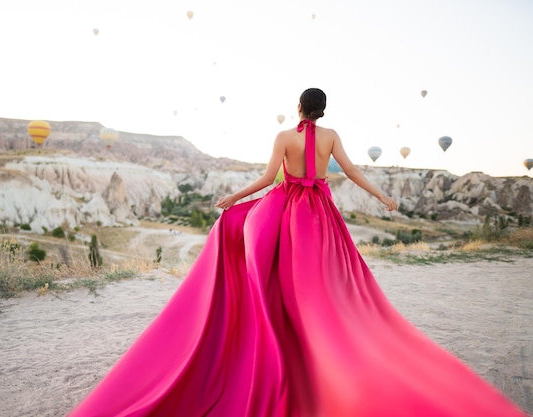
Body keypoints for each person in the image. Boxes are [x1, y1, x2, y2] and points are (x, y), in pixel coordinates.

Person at [68, 88, 528, 417]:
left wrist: (232, 199)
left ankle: (275, 334)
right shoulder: (330, 138)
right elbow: (351, 172)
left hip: (284, 212)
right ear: (323, 112)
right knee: (321, 286)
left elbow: (268, 180)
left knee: (267, 269)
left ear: (298, 109)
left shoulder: (284, 138)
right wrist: (383, 199)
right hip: (318, 216)